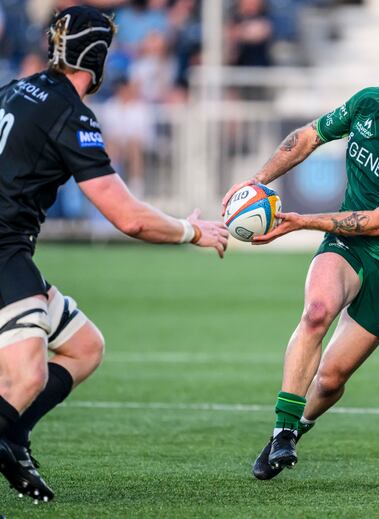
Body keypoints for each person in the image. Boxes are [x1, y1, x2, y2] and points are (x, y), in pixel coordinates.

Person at [0, 6, 228, 501]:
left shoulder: (15, 89)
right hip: (2, 251)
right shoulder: (70, 113)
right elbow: (129, 217)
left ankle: (11, 438)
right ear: (99, 60)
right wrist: (192, 231)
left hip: (10, 251)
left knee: (84, 347)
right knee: (25, 376)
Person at [221, 47, 379, 481]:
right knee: (316, 312)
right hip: (347, 243)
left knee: (330, 380)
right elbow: (309, 136)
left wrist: (298, 221)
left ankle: (294, 431)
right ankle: (283, 428)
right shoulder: (368, 102)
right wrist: (257, 182)